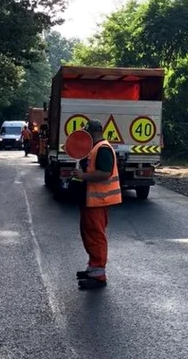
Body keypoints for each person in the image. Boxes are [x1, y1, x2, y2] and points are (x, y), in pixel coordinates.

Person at [73, 120, 122, 290]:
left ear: (92, 133)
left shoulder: (102, 149)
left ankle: (99, 276)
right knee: (89, 234)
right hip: (91, 200)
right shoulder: (95, 148)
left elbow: (104, 173)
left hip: (97, 201)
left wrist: (83, 176)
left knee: (96, 236)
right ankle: (93, 268)